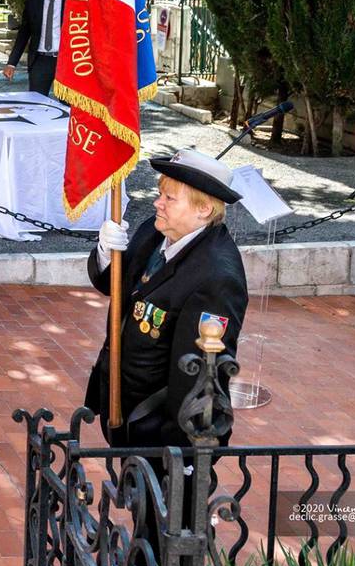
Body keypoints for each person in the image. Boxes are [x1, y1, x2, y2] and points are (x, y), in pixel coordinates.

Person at [85, 148, 246, 451]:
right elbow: (114, 287)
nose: (157, 203)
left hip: (160, 431)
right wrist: (106, 253)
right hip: (122, 405)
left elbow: (198, 376)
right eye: (160, 194)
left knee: (162, 500)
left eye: (170, 198)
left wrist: (183, 455)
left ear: (204, 210)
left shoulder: (215, 277)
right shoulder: (155, 231)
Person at [4, 0, 65, 97]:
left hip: (66, 62)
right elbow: (24, 33)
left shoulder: (73, 0)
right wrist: (12, 63)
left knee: (67, 107)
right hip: (40, 61)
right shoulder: (33, 1)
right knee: (36, 104)